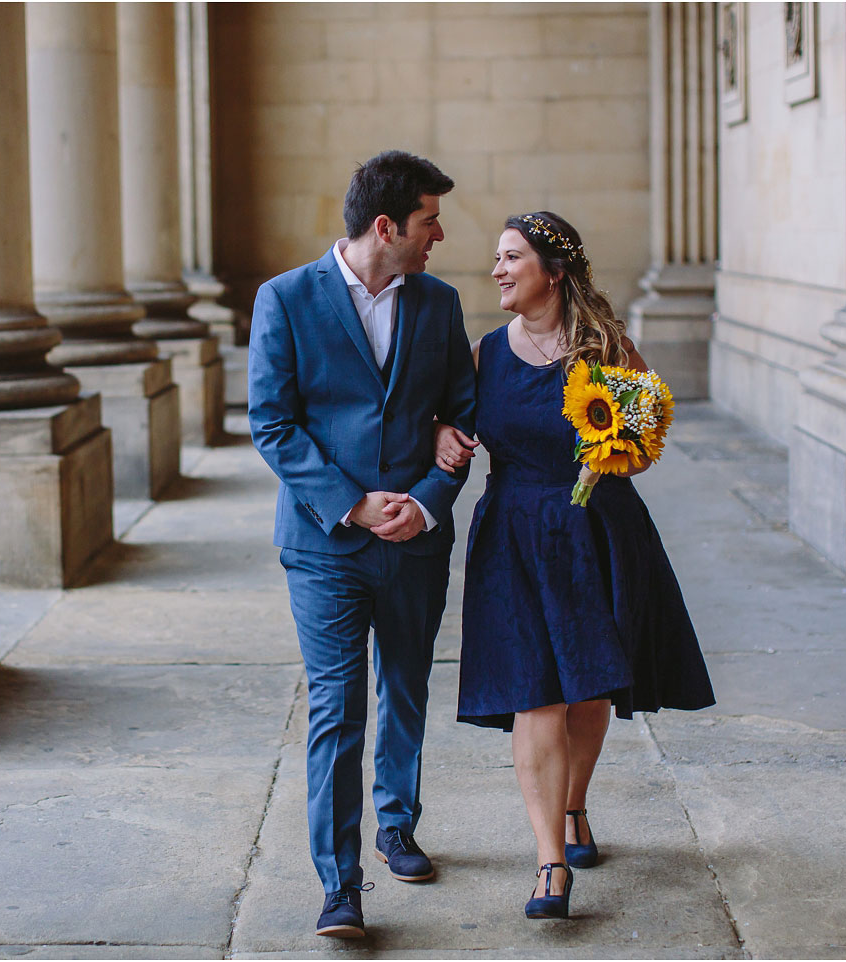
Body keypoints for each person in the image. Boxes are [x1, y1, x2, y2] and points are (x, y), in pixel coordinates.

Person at [435, 211, 715, 920]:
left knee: (588, 691)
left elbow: (647, 438)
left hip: (599, 532)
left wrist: (620, 446)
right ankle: (550, 863)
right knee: (537, 694)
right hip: (514, 539)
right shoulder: (484, 354)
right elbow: (442, 419)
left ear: (553, 272)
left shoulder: (609, 349)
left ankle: (575, 806)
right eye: (497, 259)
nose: (497, 270)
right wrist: (441, 431)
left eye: (511, 258)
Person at [248, 151, 478, 939]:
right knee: (337, 712)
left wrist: (426, 501)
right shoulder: (283, 299)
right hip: (324, 547)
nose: (438, 235)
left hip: (415, 541)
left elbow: (461, 416)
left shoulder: (441, 305)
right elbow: (272, 423)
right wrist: (352, 504)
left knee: (406, 688)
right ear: (386, 227)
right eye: (428, 221)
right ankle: (339, 886)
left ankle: (396, 825)